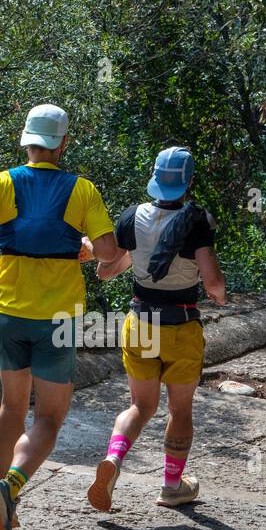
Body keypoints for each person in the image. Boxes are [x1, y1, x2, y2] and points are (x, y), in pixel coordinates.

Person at [0, 103, 122, 530]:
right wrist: (85, 248)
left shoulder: (1, 182)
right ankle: (11, 487)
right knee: (49, 418)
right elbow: (110, 251)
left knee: (11, 407)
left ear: (26, 141)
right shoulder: (82, 190)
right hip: (58, 317)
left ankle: (7, 503)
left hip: (8, 309)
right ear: (63, 143)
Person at [87, 145, 226, 511]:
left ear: (154, 177)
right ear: (189, 181)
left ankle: (114, 460)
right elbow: (212, 282)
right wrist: (220, 294)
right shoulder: (198, 221)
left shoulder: (133, 217)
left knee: (140, 405)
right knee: (179, 411)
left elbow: (108, 268)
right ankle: (171, 486)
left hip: (140, 323)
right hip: (180, 326)